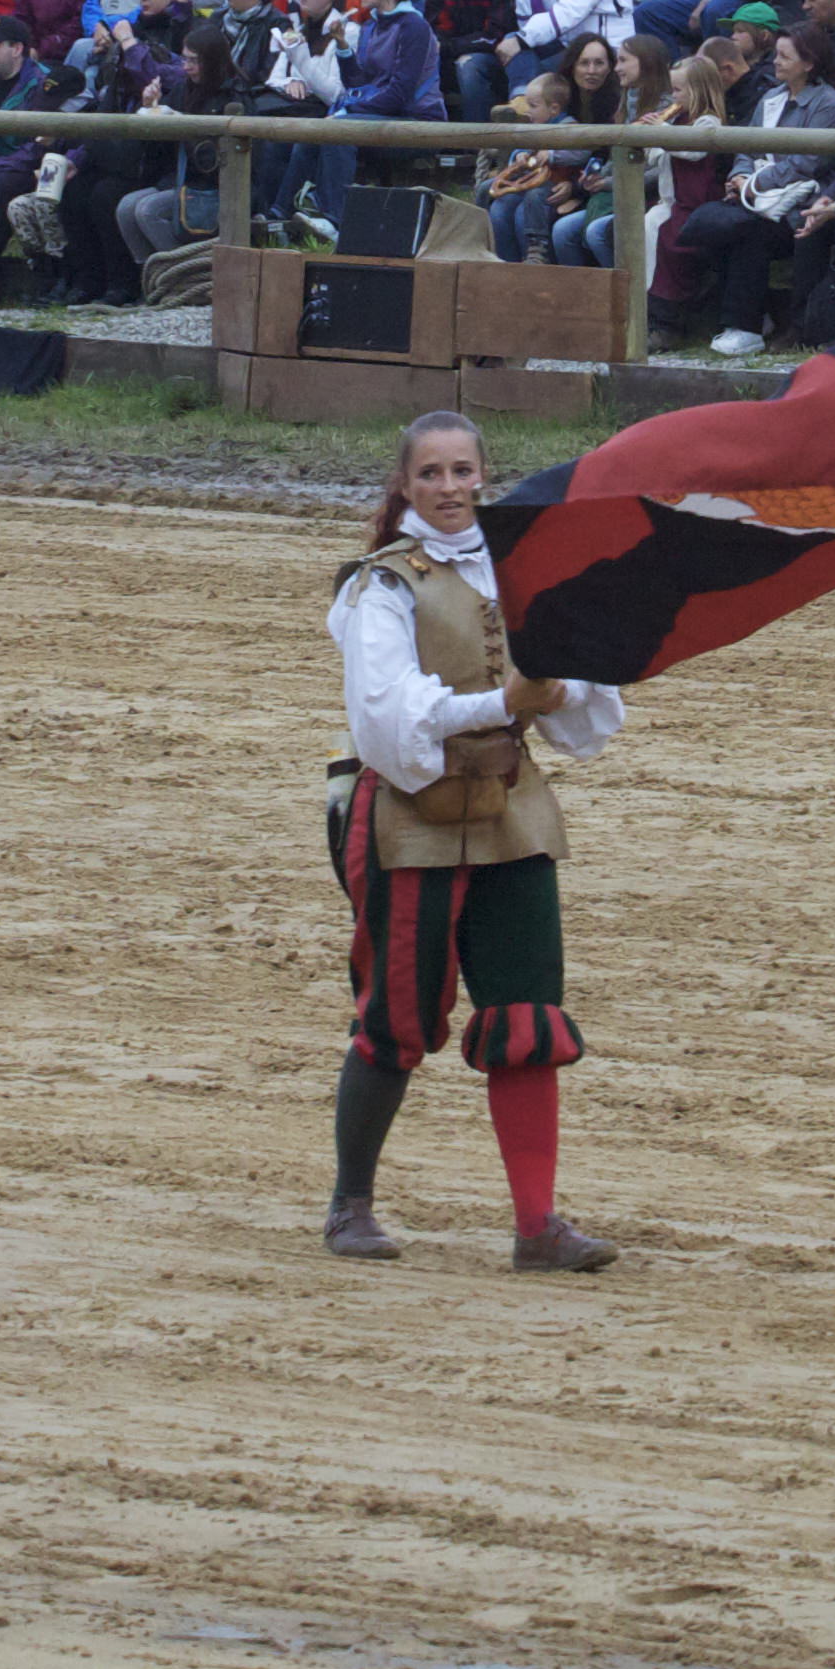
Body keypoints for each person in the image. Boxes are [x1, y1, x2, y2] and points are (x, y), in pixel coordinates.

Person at [320, 409, 627, 1274]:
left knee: (527, 1017)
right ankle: (350, 1205)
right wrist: (506, 703)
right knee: (396, 1018)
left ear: (483, 477)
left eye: (463, 471)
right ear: (404, 485)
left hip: (511, 813)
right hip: (409, 819)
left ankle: (537, 1226)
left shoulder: (520, 567)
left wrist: (561, 690)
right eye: (431, 474)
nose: (449, 488)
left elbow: (583, 698)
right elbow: (389, 722)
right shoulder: (380, 588)